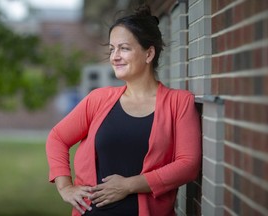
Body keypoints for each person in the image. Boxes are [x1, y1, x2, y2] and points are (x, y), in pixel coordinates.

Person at [46, 4, 201, 216]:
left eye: (124, 48)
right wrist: (65, 187)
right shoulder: (98, 99)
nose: (114, 56)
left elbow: (188, 165)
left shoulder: (179, 102)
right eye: (112, 49)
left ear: (149, 54)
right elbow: (57, 138)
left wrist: (129, 185)